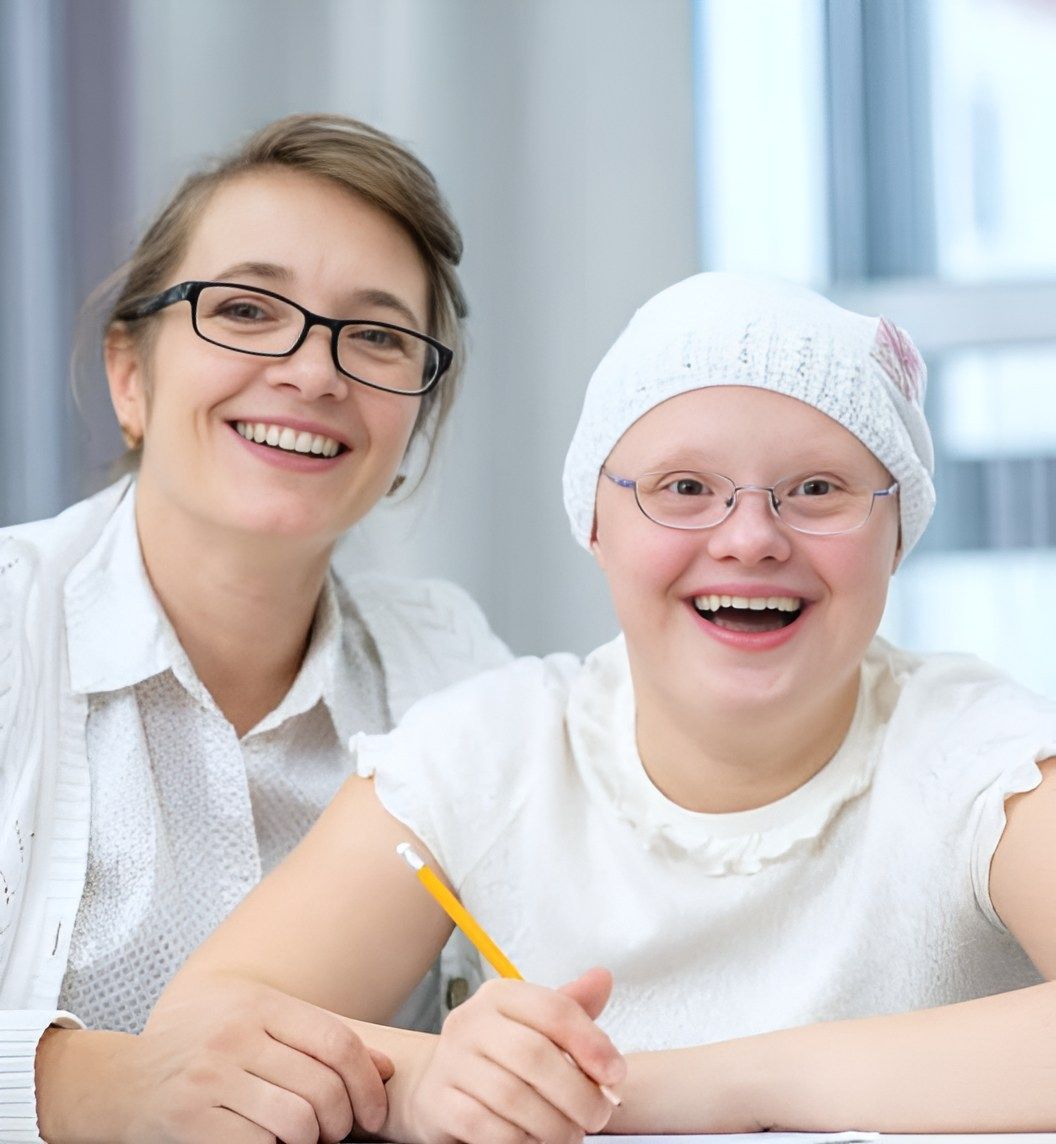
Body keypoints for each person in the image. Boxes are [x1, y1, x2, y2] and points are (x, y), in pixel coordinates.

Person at [152, 271, 1056, 1141]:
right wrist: (423, 1083)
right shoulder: (493, 752)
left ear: (898, 531)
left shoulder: (972, 750)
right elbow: (201, 1030)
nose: (750, 538)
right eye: (684, 489)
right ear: (595, 522)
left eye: (818, 490)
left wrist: (700, 1088)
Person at [0, 113, 511, 1142]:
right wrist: (100, 1085)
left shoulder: (454, 664)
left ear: (414, 424)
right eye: (243, 308)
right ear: (130, 376)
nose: (313, 372)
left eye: (375, 334)